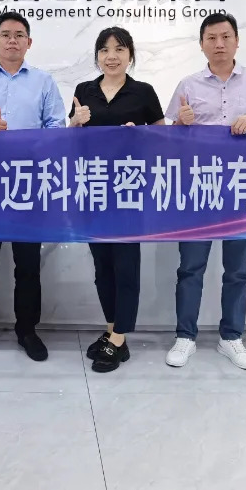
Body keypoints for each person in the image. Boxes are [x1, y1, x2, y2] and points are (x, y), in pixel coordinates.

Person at [163, 13, 246, 371]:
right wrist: (181, 124)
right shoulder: (187, 84)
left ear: (237, 41)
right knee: (190, 267)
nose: (219, 44)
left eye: (225, 36)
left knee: (237, 270)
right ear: (201, 44)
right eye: (212, 38)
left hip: (242, 186)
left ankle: (231, 337)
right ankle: (185, 337)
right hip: (199, 187)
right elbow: (170, 137)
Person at [0, 11, 66, 362]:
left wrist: (33, 142)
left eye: (19, 35)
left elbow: (57, 125)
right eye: (5, 34)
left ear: (29, 42)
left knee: (28, 263)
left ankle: (27, 331)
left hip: (28, 181)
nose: (12, 40)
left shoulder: (44, 82)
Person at [71, 26, 165, 373]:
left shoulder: (143, 92)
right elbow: (71, 141)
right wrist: (75, 123)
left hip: (128, 189)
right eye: (104, 50)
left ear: (130, 55)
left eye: (119, 49)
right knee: (102, 266)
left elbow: (162, 136)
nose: (111, 56)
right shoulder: (84, 91)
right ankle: (113, 331)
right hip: (93, 188)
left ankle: (120, 337)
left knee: (126, 264)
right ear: (97, 56)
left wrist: (141, 136)